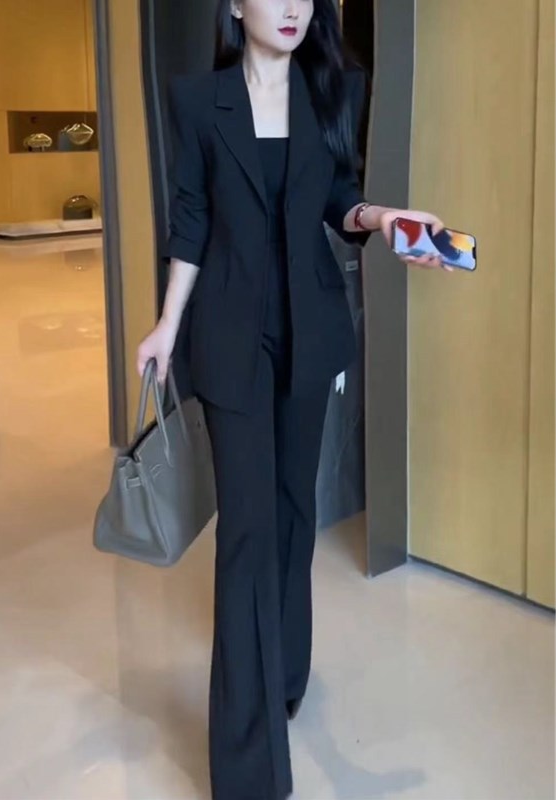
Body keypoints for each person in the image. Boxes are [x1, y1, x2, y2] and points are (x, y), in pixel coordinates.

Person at [137, 2, 450, 798]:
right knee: (247, 533)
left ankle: (283, 677)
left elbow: (339, 198)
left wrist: (385, 219)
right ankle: (248, 768)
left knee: (291, 514)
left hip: (309, 333)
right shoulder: (196, 101)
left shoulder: (333, 90)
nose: (289, 8)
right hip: (230, 337)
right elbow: (191, 219)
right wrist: (168, 324)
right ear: (235, 6)